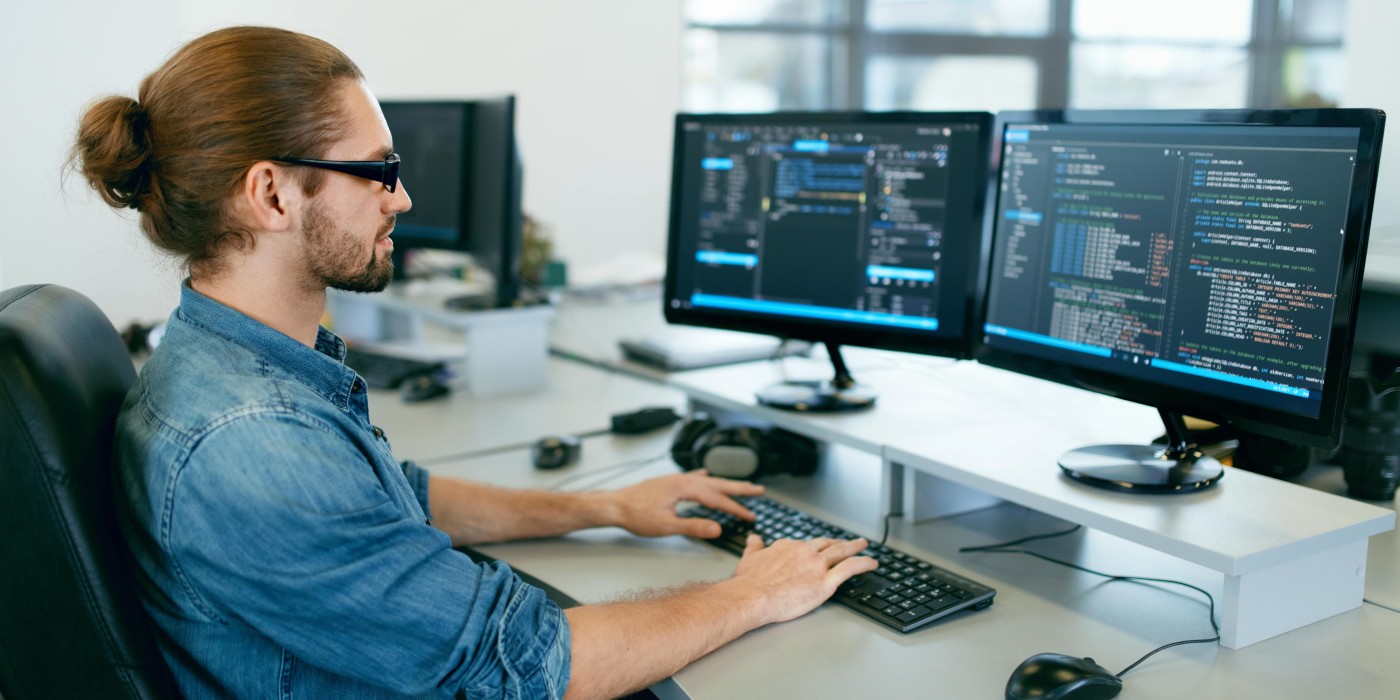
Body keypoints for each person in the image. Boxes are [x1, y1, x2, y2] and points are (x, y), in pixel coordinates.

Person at [74, 25, 876, 699]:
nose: (402, 198)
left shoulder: (228, 360)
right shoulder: (254, 441)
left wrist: (605, 508)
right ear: (273, 196)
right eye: (378, 171)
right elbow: (530, 665)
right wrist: (750, 595)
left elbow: (394, 503)